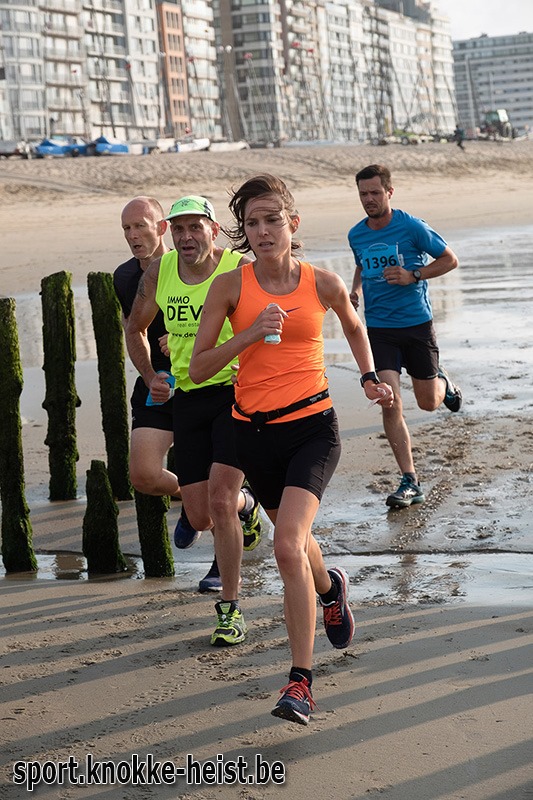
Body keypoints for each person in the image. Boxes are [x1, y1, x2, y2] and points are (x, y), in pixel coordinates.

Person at [189, 174, 393, 725]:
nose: (262, 231)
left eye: (272, 220)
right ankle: (330, 589)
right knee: (296, 542)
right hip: (254, 435)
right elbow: (199, 367)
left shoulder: (321, 282)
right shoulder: (229, 288)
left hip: (311, 431)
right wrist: (250, 333)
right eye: (252, 223)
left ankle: (300, 683)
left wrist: (370, 377)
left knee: (285, 546)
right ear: (243, 231)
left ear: (292, 224)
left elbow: (354, 325)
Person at [125, 194, 261, 644]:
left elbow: (269, 328)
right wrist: (150, 376)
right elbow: (135, 327)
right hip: (187, 396)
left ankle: (230, 610)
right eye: (179, 228)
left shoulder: (239, 269)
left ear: (213, 229)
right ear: (170, 232)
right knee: (201, 516)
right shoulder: (159, 272)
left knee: (220, 502)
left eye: (195, 227)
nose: (187, 237)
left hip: (234, 395)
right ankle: (249, 506)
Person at [115, 195, 219, 592]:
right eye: (126, 228)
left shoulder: (198, 266)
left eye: (140, 226)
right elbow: (133, 330)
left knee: (215, 483)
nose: (133, 235)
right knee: (142, 474)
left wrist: (184, 343)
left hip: (205, 382)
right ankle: (190, 501)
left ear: (162, 229)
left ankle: (220, 562)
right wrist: (149, 375)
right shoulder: (125, 277)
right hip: (158, 382)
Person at [348, 164, 462, 510]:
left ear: (389, 192)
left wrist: (414, 275)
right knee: (390, 401)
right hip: (380, 329)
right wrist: (355, 291)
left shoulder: (411, 227)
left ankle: (443, 382)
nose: (369, 199)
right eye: (363, 194)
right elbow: (361, 264)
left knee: (427, 402)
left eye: (375, 193)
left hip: (416, 325)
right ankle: (410, 480)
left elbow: (449, 260)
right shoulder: (356, 234)